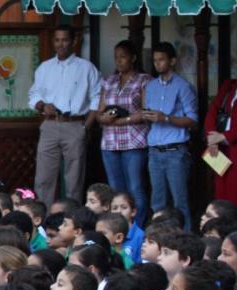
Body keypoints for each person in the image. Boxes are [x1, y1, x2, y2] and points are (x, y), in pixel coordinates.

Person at [28, 24, 101, 206]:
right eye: (57, 40)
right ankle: (42, 222)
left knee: (74, 179)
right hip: (50, 125)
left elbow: (98, 98)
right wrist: (42, 105)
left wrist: (86, 127)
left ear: (74, 41)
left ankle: (72, 222)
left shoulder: (86, 68)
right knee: (44, 178)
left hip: (75, 125)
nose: (61, 44)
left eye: (65, 40)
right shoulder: (44, 68)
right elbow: (33, 95)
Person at [143, 42, 198, 231]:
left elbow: (192, 119)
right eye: (155, 60)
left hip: (175, 151)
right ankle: (158, 241)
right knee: (157, 202)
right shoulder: (150, 86)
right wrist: (147, 116)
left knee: (179, 201)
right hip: (154, 151)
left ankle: (187, 241)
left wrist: (165, 118)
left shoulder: (184, 86)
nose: (157, 64)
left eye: (161, 60)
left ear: (172, 61)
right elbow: (148, 113)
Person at [96, 40, 151, 226]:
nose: (119, 61)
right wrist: (103, 118)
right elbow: (100, 111)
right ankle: (119, 226)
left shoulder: (143, 80)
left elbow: (146, 111)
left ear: (133, 58)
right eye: (116, 57)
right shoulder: (109, 81)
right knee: (116, 189)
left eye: (123, 57)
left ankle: (138, 226)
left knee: (135, 187)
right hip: (110, 142)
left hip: (134, 141)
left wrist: (123, 120)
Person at [205, 47, 237, 216]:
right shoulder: (229, 84)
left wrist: (224, 136)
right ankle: (219, 233)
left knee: (234, 196)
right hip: (218, 146)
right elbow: (213, 111)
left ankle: (232, 236)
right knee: (219, 193)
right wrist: (212, 137)